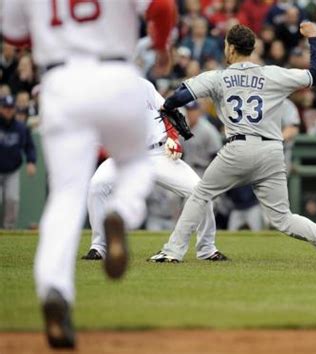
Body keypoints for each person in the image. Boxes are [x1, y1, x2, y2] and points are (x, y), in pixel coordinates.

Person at [2, 0, 176, 348]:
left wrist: (56, 35)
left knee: (66, 196)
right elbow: (162, 7)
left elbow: (13, 33)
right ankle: (120, 212)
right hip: (116, 74)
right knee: (136, 164)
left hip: (60, 80)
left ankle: (55, 291)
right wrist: (159, 46)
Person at [148, 23, 316, 266]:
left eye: (227, 45)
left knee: (200, 195)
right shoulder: (274, 74)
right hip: (271, 150)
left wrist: (167, 107)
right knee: (283, 219)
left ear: (231, 48)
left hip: (238, 148)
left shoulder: (219, 77)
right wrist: (313, 37)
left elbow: (179, 97)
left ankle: (172, 252)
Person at [83, 79, 225, 263]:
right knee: (97, 185)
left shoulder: (142, 85)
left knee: (199, 191)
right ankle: (100, 247)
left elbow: (167, 110)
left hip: (158, 153)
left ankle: (207, 249)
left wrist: (173, 137)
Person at [0, 95, 36, 228]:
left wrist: (31, 161)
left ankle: (9, 229)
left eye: (10, 108)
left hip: (12, 170)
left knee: (12, 199)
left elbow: (29, 146)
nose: (8, 110)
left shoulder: (20, 128)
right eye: (5, 107)